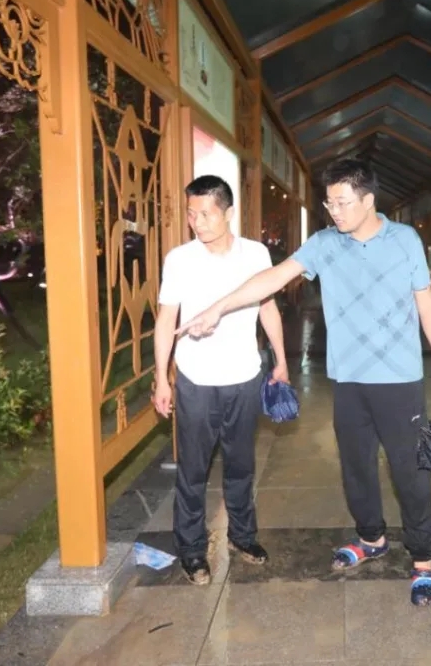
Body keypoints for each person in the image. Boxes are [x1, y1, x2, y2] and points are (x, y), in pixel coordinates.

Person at [176, 157, 431, 606]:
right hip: (347, 379)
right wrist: (219, 307)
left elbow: (425, 305)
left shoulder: (405, 240)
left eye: (343, 203)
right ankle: (371, 538)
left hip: (399, 379)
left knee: (410, 470)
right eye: (330, 203)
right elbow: (272, 278)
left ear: (368, 200)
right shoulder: (325, 243)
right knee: (356, 467)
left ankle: (423, 558)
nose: (335, 212)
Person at [152, 175, 289, 585]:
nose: (197, 222)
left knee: (241, 465)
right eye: (191, 214)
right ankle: (192, 550)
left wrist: (281, 360)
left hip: (244, 376)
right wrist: (162, 377)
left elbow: (268, 308)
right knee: (192, 470)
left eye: (206, 214)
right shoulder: (180, 259)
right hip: (196, 380)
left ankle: (242, 536)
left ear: (228, 213)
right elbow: (166, 320)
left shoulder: (255, 253)